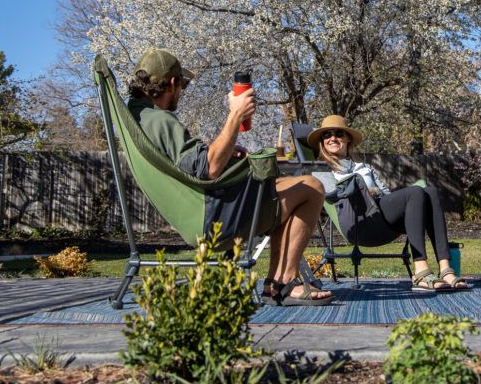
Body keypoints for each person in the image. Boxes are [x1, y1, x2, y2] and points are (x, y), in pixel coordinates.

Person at [127, 47, 332, 306]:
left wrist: (222, 150)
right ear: (172, 83)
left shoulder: (140, 118)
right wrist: (236, 115)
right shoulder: (160, 121)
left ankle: (276, 283)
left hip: (200, 208)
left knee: (287, 188)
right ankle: (283, 282)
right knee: (311, 187)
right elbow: (208, 168)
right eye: (183, 85)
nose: (182, 93)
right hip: (212, 218)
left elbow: (194, 163)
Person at [308, 115, 469, 292]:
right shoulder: (320, 169)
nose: (332, 138)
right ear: (322, 142)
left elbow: (385, 194)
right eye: (326, 135)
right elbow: (331, 195)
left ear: (348, 139)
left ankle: (446, 269)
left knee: (430, 192)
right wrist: (358, 188)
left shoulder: (365, 167)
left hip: (382, 221)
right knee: (414, 192)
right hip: (358, 223)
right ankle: (421, 271)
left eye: (338, 133)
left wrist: (376, 192)